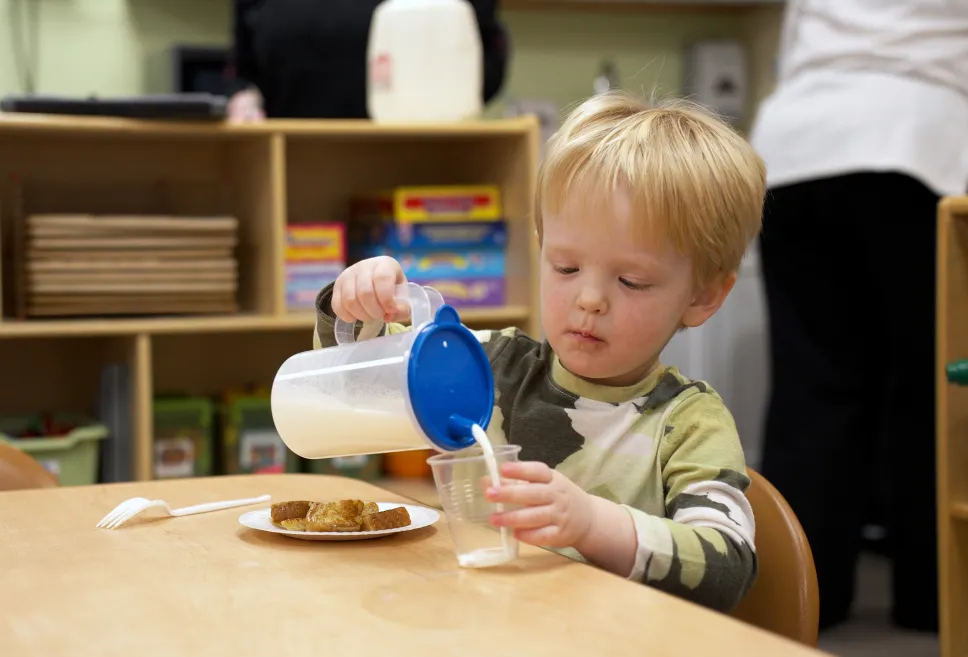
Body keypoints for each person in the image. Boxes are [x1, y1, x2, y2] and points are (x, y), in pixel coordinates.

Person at [311, 91, 767, 611]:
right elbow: (349, 382)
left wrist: (594, 523)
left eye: (632, 280)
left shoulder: (688, 423)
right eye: (567, 268)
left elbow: (728, 566)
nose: (590, 299)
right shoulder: (491, 366)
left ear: (703, 295)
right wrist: (356, 306)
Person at [748, 0, 968, 634]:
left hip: (797, 150)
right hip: (918, 141)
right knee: (929, 387)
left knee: (812, 387)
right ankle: (934, 602)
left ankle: (807, 599)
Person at [225, 0, 509, 121]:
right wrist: (244, 100)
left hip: (427, 158)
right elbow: (242, 69)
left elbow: (488, 54)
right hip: (291, 162)